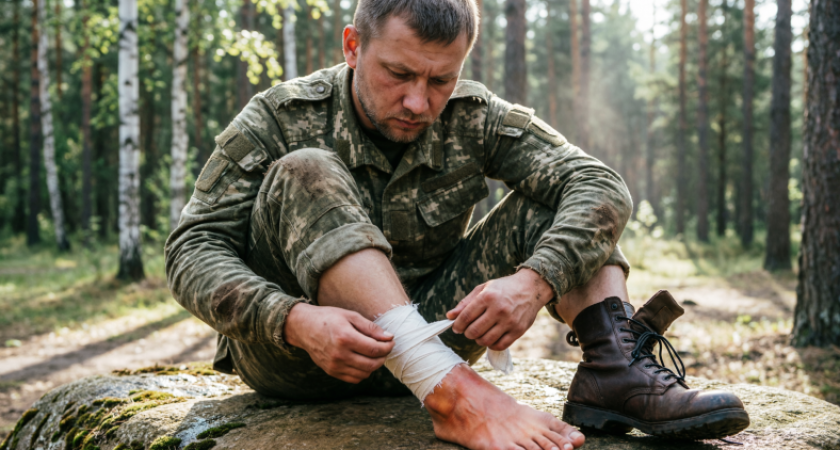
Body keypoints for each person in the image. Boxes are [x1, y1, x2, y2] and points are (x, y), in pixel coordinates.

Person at [165, 0, 750, 448]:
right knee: (306, 169)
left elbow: (600, 184)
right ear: (351, 45)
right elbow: (192, 248)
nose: (419, 102)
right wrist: (292, 321)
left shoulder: (478, 118)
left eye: (440, 80)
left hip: (440, 326)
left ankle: (616, 375)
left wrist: (533, 282)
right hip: (307, 356)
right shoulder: (278, 116)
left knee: (563, 203)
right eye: (398, 74)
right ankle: (456, 402)